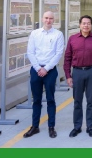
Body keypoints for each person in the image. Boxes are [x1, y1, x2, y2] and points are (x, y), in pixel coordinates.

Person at [23, 10, 65, 138]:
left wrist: (46, 68)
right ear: (42, 19)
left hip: (50, 71)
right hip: (36, 70)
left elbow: (58, 53)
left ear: (54, 20)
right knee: (36, 100)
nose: (48, 20)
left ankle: (51, 126)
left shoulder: (58, 34)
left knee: (50, 99)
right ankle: (35, 126)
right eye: (46, 18)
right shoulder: (35, 34)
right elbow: (30, 52)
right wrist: (38, 68)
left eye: (51, 18)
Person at [63, 15, 92, 138]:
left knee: (91, 101)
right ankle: (77, 127)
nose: (86, 25)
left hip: (91, 71)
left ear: (91, 25)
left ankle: (90, 127)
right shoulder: (73, 39)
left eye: (88, 23)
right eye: (84, 23)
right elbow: (67, 58)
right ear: (80, 25)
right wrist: (68, 76)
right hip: (77, 72)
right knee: (77, 101)